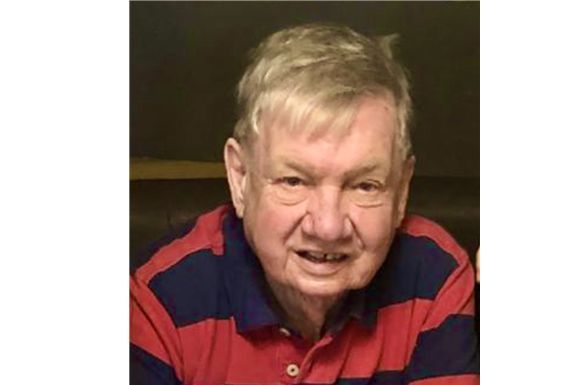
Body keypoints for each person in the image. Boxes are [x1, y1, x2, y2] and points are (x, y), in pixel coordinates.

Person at [130, 23, 479, 385]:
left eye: (364, 186)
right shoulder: (157, 297)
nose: (327, 227)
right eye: (294, 181)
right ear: (240, 177)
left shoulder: (435, 273)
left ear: (402, 189)